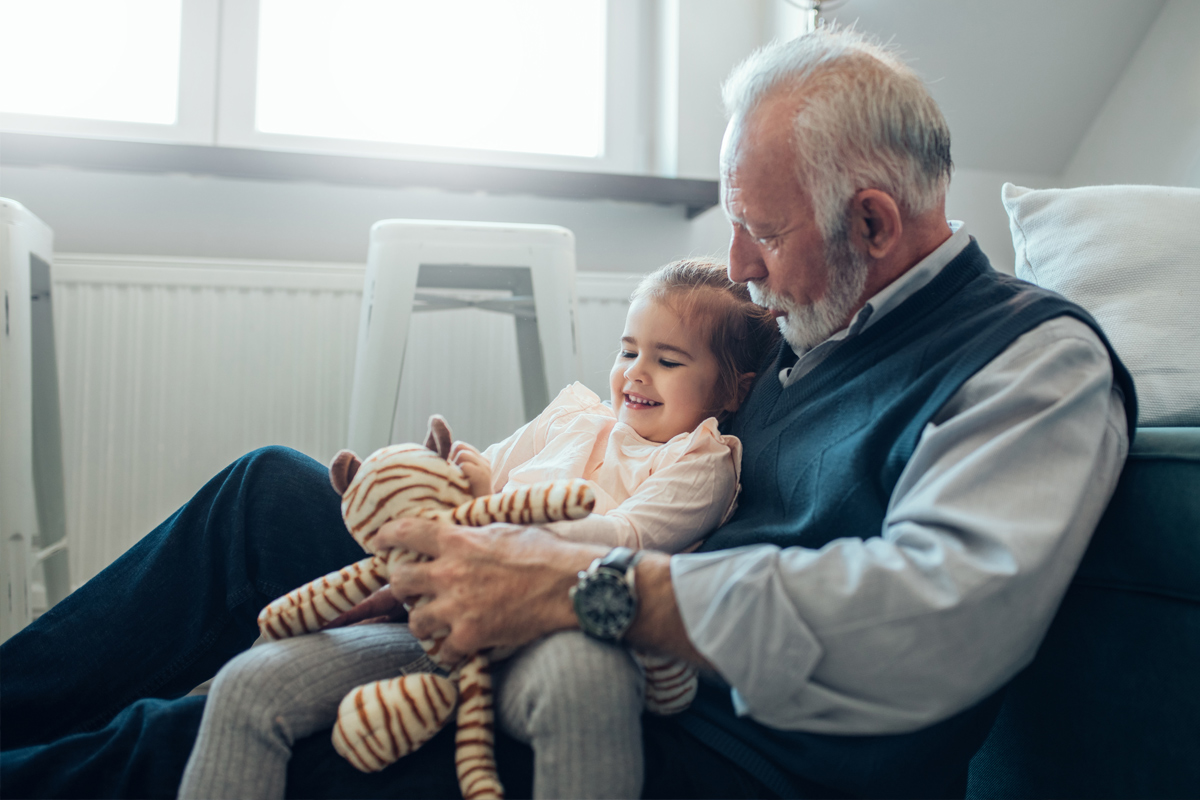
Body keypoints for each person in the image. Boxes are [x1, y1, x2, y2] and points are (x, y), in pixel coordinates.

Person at [0, 27, 1135, 799]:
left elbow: (935, 611)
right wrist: (480, 507)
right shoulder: (807, 325)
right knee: (270, 494)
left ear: (877, 226)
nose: (735, 267)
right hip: (597, 609)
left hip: (700, 730)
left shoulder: (1029, 366)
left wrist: (572, 587)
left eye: (763, 231)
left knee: (223, 724)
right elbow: (629, 458)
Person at [176, 258, 779, 800]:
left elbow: (626, 538)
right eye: (628, 352)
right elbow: (484, 475)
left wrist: (490, 530)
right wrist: (448, 483)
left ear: (732, 389)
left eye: (667, 360)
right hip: (444, 616)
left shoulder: (701, 462)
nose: (635, 374)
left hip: (549, 635)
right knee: (249, 685)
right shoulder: (575, 416)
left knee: (586, 682)